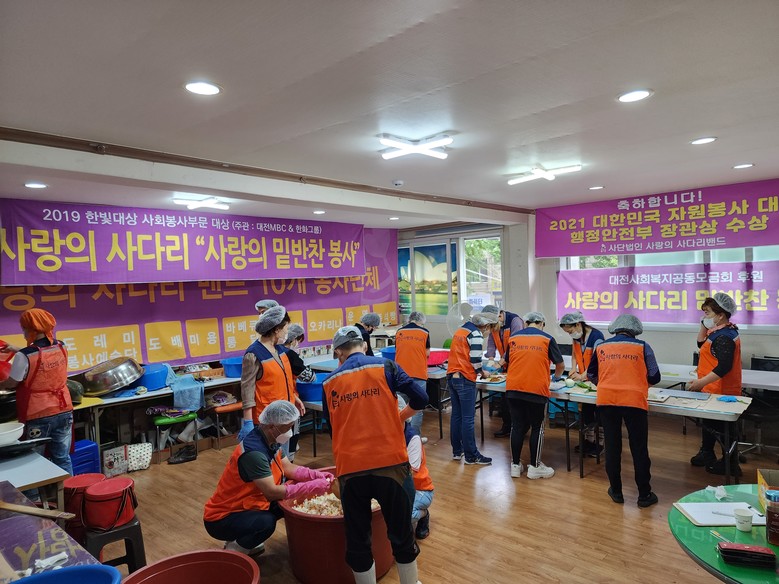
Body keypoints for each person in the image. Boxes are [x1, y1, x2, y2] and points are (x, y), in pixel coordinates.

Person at [322, 325, 427, 584]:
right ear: (365, 346)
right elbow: (421, 398)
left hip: (351, 469)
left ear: (338, 353)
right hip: (391, 464)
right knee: (401, 533)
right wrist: (399, 417)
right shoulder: (387, 367)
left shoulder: (329, 382)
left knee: (358, 539)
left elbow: (331, 427)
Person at [204, 400, 333, 555]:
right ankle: (234, 552)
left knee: (287, 505)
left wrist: (316, 475)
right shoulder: (254, 453)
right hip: (223, 517)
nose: (290, 433)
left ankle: (246, 537)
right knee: (266, 523)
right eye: (288, 428)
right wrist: (312, 487)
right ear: (272, 426)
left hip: (250, 504)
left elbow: (288, 468)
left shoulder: (270, 439)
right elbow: (272, 492)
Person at [587, 314, 661, 508]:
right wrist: (638, 382)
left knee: (612, 446)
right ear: (635, 331)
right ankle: (644, 495)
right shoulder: (643, 346)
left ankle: (616, 491)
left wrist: (605, 383)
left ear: (615, 329)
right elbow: (655, 376)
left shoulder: (601, 347)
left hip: (607, 400)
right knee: (639, 448)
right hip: (634, 401)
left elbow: (591, 373)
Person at [0, 309, 73, 475]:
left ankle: (37, 493)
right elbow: (42, 355)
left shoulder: (24, 356)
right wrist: (17, 349)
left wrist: (1, 384)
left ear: (30, 329)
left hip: (39, 413)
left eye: (24, 328)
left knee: (34, 460)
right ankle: (69, 490)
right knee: (62, 457)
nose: (24, 332)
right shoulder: (61, 346)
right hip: (64, 409)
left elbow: (12, 383)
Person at [686, 293, 742, 476]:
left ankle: (731, 463)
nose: (705, 317)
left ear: (721, 315)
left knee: (723, 428)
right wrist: (704, 324)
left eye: (708, 313)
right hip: (711, 388)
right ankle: (707, 453)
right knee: (709, 423)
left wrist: (700, 382)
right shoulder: (719, 332)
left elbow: (724, 367)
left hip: (721, 389)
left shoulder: (725, 336)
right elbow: (700, 343)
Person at [239, 306, 306, 460]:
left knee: (285, 460)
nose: (287, 332)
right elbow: (247, 390)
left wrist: (294, 398)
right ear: (276, 329)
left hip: (285, 416)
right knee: (271, 461)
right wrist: (248, 421)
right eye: (286, 328)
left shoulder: (280, 350)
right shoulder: (253, 354)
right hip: (268, 422)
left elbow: (283, 379)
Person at [503, 311, 564, 480]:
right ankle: (535, 467)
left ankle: (515, 466)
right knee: (537, 427)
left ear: (526, 322)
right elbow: (560, 365)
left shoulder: (513, 338)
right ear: (542, 323)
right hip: (536, 389)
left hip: (513, 388)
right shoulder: (547, 338)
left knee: (517, 427)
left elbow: (507, 361)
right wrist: (556, 378)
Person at [447, 308, 499, 465]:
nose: (489, 332)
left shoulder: (461, 330)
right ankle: (472, 456)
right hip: (465, 379)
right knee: (468, 419)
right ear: (486, 325)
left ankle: (457, 452)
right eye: (491, 328)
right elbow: (475, 360)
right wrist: (483, 373)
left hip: (452, 376)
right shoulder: (475, 334)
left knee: (457, 416)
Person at [559, 311, 605, 457]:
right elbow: (574, 354)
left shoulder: (597, 337)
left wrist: (582, 375)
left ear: (578, 324)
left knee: (599, 412)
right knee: (586, 411)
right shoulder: (577, 337)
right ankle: (588, 441)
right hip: (584, 380)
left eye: (570, 331)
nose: (570, 334)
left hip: (597, 380)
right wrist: (573, 369)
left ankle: (600, 444)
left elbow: (596, 362)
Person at [482, 305, 523, 438]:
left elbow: (515, 345)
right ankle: (507, 427)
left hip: (518, 364)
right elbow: (491, 342)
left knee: (516, 399)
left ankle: (519, 429)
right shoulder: (495, 325)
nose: (491, 328)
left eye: (492, 325)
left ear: (499, 316)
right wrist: (491, 359)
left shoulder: (515, 321)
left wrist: (500, 362)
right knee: (505, 398)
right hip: (505, 366)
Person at [396, 395, 434, 541]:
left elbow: (408, 473)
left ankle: (424, 514)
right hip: (399, 487)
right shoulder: (388, 437)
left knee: (405, 515)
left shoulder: (413, 438)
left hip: (421, 489)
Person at [394, 311, 430, 436]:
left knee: (400, 407)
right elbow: (427, 354)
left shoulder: (399, 331)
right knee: (417, 407)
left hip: (400, 374)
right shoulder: (425, 332)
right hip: (418, 373)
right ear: (421, 321)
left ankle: (401, 437)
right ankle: (414, 438)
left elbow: (397, 349)